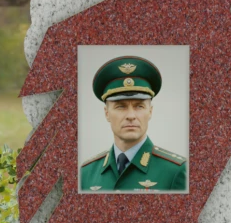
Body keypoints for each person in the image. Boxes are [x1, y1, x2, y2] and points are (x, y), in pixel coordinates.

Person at [80, 55, 187, 192]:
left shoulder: (175, 171)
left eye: (139, 106)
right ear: (107, 113)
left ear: (150, 112)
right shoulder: (86, 174)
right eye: (120, 106)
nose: (131, 116)